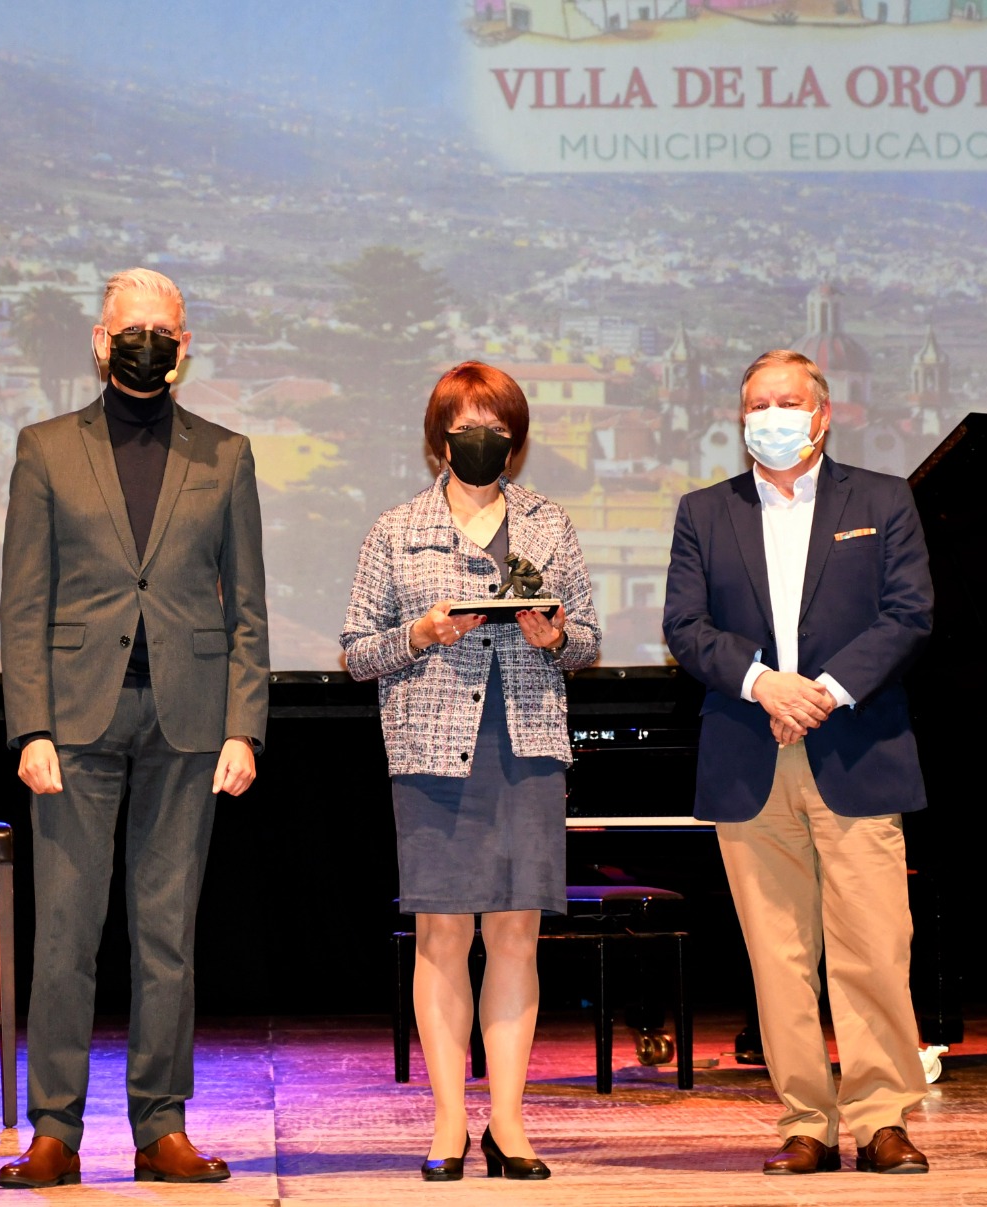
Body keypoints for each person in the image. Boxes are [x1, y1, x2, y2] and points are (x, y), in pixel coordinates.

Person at [0, 268, 269, 1188]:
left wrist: (246, 727)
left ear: (185, 347)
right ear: (100, 340)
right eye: (132, 327)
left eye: (165, 329)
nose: (148, 341)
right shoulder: (44, 448)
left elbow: (249, 612)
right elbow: (23, 602)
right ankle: (55, 1131)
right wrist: (27, 725)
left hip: (191, 725)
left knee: (167, 935)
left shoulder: (226, 455)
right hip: (74, 721)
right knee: (66, 933)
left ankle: (160, 1126)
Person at [662, 349, 933, 1176]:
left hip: (855, 744)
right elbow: (684, 625)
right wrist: (763, 684)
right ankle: (804, 1120)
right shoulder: (705, 510)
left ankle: (882, 1116)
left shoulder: (883, 500)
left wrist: (823, 690)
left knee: (875, 946)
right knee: (777, 957)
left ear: (821, 414)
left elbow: (908, 612)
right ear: (740, 418)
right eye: (756, 404)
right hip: (750, 752)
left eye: (786, 402)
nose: (770, 416)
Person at [340, 361, 600, 1182]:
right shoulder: (396, 527)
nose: (479, 438)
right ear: (439, 436)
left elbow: (588, 640)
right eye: (464, 424)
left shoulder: (548, 524)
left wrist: (553, 636)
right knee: (443, 932)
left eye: (494, 424)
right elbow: (355, 653)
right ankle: (450, 1120)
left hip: (524, 745)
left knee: (516, 932)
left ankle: (511, 1124)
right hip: (430, 749)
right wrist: (420, 632)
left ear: (515, 439)